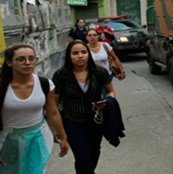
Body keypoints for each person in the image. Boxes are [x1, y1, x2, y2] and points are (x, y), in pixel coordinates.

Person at [0, 43, 69, 172]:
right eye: (21, 59)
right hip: (7, 140)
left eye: (31, 58)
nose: (28, 63)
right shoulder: (2, 86)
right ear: (9, 62)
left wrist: (63, 137)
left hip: (38, 137)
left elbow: (53, 112)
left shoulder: (45, 84)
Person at [52, 40, 115, 173]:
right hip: (72, 121)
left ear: (88, 54)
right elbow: (54, 104)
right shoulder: (61, 75)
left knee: (93, 154)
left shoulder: (99, 72)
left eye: (83, 52)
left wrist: (108, 101)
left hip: (96, 121)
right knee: (83, 157)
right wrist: (55, 128)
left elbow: (110, 91)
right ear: (69, 56)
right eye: (75, 53)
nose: (80, 56)